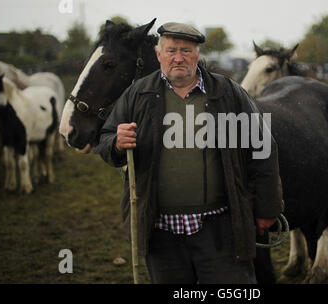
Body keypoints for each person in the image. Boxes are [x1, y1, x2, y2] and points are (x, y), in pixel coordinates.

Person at [95, 22, 284, 284]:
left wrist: (267, 207)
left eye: (186, 50)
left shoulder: (228, 93)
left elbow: (262, 147)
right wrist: (116, 142)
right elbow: (105, 138)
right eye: (171, 50)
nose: (178, 58)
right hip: (159, 231)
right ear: (159, 54)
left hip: (221, 228)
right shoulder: (138, 95)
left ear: (197, 55)